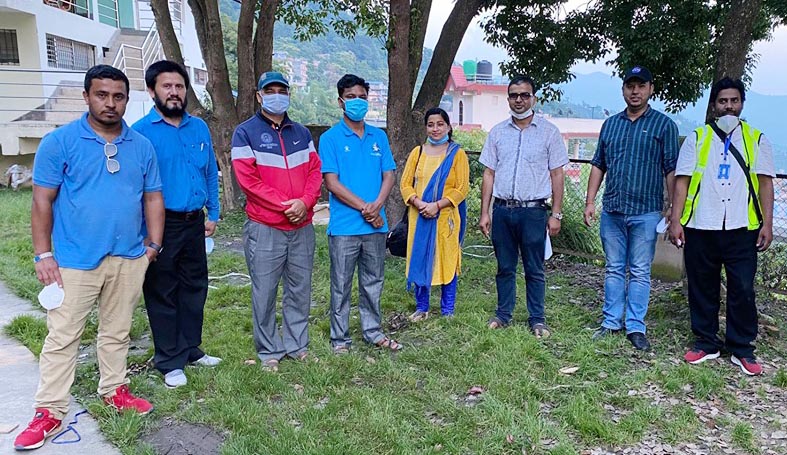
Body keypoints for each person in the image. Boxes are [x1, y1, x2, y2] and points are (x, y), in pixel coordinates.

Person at [14, 65, 164, 451]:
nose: (110, 103)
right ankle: (49, 410)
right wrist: (43, 254)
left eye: (118, 96)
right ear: (86, 97)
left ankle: (114, 389)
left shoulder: (141, 146)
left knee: (117, 331)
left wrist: (152, 247)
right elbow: (42, 201)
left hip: (129, 256)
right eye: (102, 95)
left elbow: (152, 197)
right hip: (74, 261)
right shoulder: (60, 142)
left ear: (127, 100)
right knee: (63, 335)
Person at [670, 77, 775, 375]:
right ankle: (706, 342)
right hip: (702, 224)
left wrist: (767, 224)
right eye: (723, 101)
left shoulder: (757, 139)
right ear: (714, 105)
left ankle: (742, 348)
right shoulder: (698, 138)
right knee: (702, 285)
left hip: (742, 227)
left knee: (742, 287)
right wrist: (676, 220)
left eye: (734, 100)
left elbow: (765, 184)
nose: (729, 106)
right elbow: (682, 181)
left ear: (742, 103)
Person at [132, 60, 221, 389]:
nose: (174, 92)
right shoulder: (141, 133)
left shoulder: (199, 128)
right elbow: (135, 186)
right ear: (152, 90)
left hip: (194, 221)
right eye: (167, 86)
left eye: (179, 86)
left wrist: (214, 212)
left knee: (194, 287)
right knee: (163, 289)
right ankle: (169, 359)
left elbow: (209, 171)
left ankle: (190, 348)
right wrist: (145, 233)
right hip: (161, 224)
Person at [231, 71, 322, 372]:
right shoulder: (245, 133)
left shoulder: (302, 134)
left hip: (301, 225)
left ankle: (297, 345)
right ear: (259, 96)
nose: (276, 95)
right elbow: (248, 181)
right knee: (265, 291)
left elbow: (315, 172)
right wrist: (286, 206)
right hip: (266, 226)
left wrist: (305, 202)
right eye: (269, 91)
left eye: (281, 90)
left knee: (299, 288)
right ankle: (269, 349)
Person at [583, 66, 679, 351]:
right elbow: (598, 164)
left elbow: (671, 170)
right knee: (613, 268)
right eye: (630, 86)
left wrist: (673, 208)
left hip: (646, 211)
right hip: (612, 209)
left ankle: (635, 326)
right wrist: (590, 201)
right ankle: (611, 321)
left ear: (651, 89)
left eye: (641, 86)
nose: (635, 91)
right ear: (623, 89)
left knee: (639, 270)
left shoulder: (664, 125)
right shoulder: (610, 125)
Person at [479, 75, 568, 338]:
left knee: (534, 268)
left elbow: (557, 174)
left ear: (533, 98)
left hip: (534, 211)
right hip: (502, 210)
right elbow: (489, 173)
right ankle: (503, 314)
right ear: (508, 99)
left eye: (524, 95)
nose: (519, 100)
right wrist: (485, 212)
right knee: (505, 266)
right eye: (514, 95)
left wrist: (556, 214)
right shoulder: (497, 133)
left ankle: (537, 319)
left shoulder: (549, 132)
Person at [320, 73, 403, 353]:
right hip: (344, 227)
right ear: (340, 101)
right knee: (341, 284)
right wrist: (366, 209)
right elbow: (332, 183)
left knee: (373, 281)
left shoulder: (378, 136)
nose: (357, 102)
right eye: (351, 97)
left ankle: (372, 331)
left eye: (362, 97)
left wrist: (377, 206)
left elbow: (389, 175)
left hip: (376, 226)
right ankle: (340, 339)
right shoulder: (330, 138)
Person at [400, 108, 469, 321]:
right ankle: (422, 307)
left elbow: (462, 188)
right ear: (425, 128)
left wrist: (437, 205)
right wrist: (419, 203)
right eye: (431, 124)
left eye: (440, 124)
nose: (435, 129)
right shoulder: (417, 152)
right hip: (419, 215)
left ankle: (448, 309)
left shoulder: (457, 154)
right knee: (420, 256)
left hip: (446, 218)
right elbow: (405, 184)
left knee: (448, 259)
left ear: (448, 127)